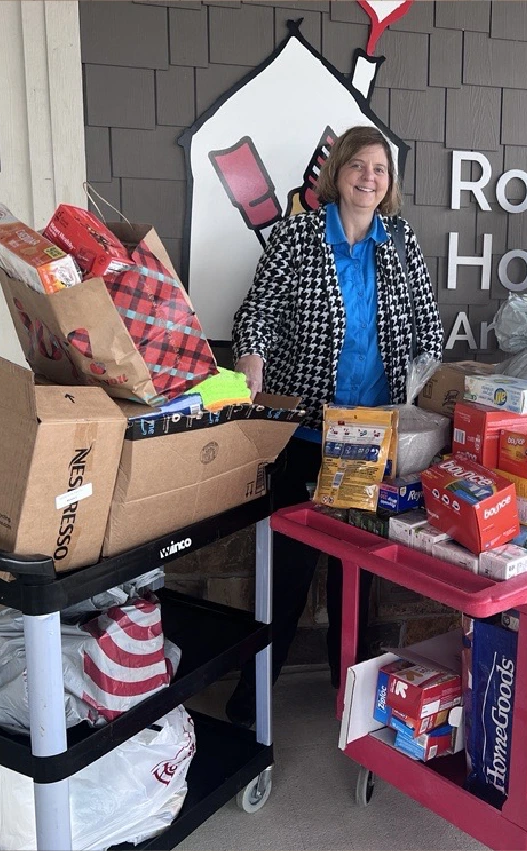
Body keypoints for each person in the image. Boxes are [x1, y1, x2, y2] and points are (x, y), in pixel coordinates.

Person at [226, 125, 444, 724]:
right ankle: (253, 705)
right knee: (286, 573)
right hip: (305, 433)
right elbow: (258, 313)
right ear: (337, 171)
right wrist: (252, 357)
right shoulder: (298, 236)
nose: (368, 178)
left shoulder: (399, 244)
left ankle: (348, 698)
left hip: (372, 437)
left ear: (388, 183)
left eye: (379, 170)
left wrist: (425, 395)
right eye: (358, 166)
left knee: (359, 575)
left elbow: (428, 325)